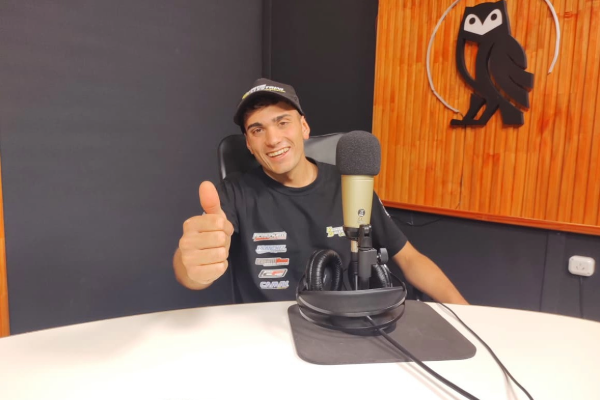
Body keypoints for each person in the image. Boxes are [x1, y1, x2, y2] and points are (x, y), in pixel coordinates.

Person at [173, 78, 468, 305]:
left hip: (342, 326)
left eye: (282, 122)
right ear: (249, 144)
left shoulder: (350, 186)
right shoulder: (235, 192)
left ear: (304, 127)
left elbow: (410, 259)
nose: (272, 139)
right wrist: (193, 269)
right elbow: (191, 269)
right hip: (265, 335)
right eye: (257, 130)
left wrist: (466, 312)